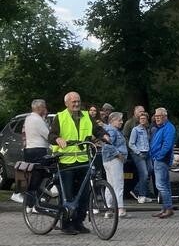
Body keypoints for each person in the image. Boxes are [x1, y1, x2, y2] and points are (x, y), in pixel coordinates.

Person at [49, 92, 108, 235]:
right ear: (67, 103)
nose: (76, 104)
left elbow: (97, 129)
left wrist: (104, 135)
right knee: (68, 195)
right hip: (66, 161)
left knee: (83, 195)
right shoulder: (60, 117)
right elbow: (51, 135)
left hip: (83, 160)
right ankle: (66, 224)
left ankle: (78, 222)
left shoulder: (86, 115)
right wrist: (58, 140)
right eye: (73, 102)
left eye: (78, 101)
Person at [11, 99, 51, 205]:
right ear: (39, 108)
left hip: (29, 149)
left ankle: (31, 200)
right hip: (38, 150)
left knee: (33, 175)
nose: (46, 109)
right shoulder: (37, 120)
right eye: (44, 107)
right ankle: (31, 202)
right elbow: (48, 135)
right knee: (38, 175)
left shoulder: (29, 118)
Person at [150, 107, 177, 219]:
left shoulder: (168, 128)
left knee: (161, 185)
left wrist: (158, 156)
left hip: (161, 160)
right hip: (159, 159)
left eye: (159, 116)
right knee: (165, 185)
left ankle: (168, 208)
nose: (157, 118)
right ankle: (166, 208)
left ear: (165, 116)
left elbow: (167, 144)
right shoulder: (162, 127)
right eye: (156, 116)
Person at [101, 112, 128, 217]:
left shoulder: (109, 130)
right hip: (114, 160)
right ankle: (120, 209)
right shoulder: (112, 130)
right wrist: (118, 154)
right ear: (112, 120)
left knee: (110, 184)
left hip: (107, 160)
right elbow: (107, 144)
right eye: (119, 120)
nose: (122, 122)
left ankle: (109, 209)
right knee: (118, 184)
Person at [128, 111, 154, 203]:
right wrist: (138, 153)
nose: (143, 120)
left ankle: (136, 190)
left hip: (147, 153)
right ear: (138, 120)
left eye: (144, 118)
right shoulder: (135, 130)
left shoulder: (147, 130)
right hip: (139, 153)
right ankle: (141, 195)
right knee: (144, 173)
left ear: (147, 119)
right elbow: (131, 143)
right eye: (141, 118)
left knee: (150, 170)